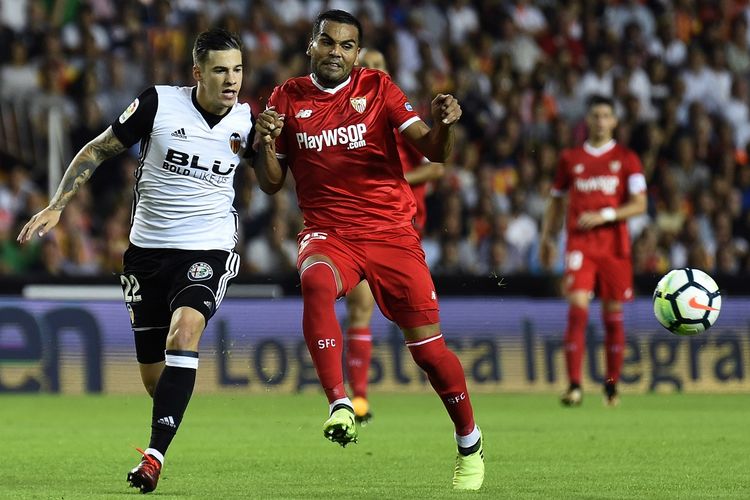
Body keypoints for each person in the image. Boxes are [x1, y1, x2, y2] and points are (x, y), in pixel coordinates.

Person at [251, 9, 483, 491]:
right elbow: (272, 185)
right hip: (329, 234)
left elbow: (434, 152)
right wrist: (264, 142)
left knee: (429, 352)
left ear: (357, 52)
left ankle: (469, 442)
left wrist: (444, 125)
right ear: (311, 45)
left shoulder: (379, 88)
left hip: (390, 234)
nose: (336, 51)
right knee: (314, 280)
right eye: (328, 41)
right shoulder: (287, 97)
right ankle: (340, 402)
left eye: (347, 45)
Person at [17, 28, 252, 494]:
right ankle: (172, 409)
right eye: (221, 70)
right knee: (153, 379)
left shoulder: (248, 120)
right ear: (197, 73)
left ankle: (154, 457)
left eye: (238, 69)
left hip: (208, 246)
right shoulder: (159, 104)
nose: (232, 80)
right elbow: (97, 149)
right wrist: (59, 204)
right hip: (146, 253)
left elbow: (272, 175)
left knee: (184, 332)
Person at [344, 47, 445, 425]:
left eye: (378, 66)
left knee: (418, 322)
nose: (370, 71)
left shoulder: (400, 119)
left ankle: (445, 397)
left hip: (401, 230)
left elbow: (436, 167)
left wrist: (389, 182)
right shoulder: (343, 122)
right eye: (365, 65)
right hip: (356, 229)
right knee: (360, 307)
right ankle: (360, 398)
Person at [539, 94, 647, 407]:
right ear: (588, 120)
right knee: (577, 311)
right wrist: (547, 238)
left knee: (613, 316)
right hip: (580, 245)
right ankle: (574, 386)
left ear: (614, 121)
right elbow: (556, 200)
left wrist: (606, 215)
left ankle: (611, 387)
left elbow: (639, 204)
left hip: (614, 247)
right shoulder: (570, 158)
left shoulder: (628, 159)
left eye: (606, 115)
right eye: (595, 115)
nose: (600, 120)